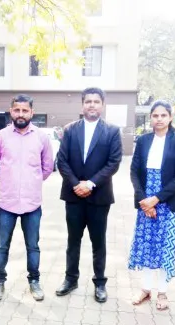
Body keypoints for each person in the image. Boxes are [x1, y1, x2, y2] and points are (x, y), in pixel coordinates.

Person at [55, 87, 123, 303]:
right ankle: (70, 279)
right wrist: (77, 184)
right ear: (82, 104)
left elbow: (114, 162)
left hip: (99, 196)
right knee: (73, 240)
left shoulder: (112, 131)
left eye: (96, 101)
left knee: (98, 242)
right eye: (88, 101)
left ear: (102, 104)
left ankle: (100, 282)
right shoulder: (70, 130)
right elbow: (62, 160)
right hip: (73, 195)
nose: (92, 105)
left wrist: (91, 184)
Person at [0, 94, 54, 301]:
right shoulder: (0, 137)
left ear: (32, 112)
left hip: (32, 204)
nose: (21, 114)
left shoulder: (42, 137)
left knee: (33, 246)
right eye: (17, 110)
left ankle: (34, 281)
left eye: (25, 110)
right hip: (6, 203)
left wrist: (31, 182)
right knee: (2, 246)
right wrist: (9, 181)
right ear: (11, 111)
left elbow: (47, 167)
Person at [128, 100, 175, 311]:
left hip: (168, 201)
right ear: (151, 118)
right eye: (155, 115)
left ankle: (162, 291)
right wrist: (144, 201)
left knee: (164, 248)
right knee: (147, 246)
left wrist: (156, 199)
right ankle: (146, 289)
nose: (159, 119)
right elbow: (134, 172)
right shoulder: (144, 140)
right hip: (145, 200)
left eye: (163, 115)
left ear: (170, 117)